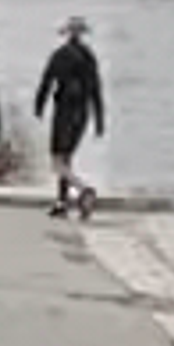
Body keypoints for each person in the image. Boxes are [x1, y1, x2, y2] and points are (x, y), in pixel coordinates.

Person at [34, 17, 107, 214]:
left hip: (64, 111)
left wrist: (39, 107)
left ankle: (83, 189)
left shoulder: (59, 55)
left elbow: (46, 82)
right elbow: (96, 89)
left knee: (58, 160)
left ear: (66, 33)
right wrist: (99, 119)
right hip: (82, 112)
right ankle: (62, 202)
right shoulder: (89, 57)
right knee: (67, 157)